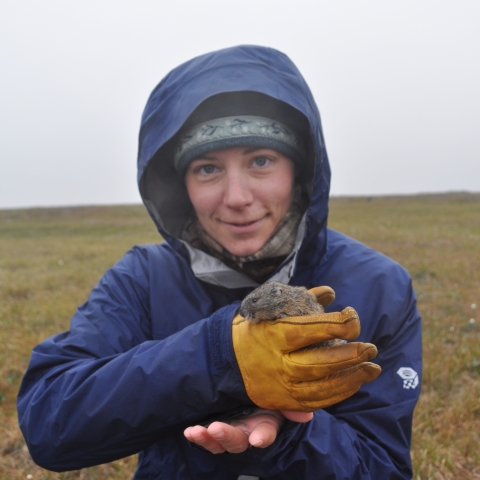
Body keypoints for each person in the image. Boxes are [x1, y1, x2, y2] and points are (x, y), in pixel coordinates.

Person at [17, 45, 422, 479]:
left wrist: (287, 433)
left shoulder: (379, 286)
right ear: (180, 186)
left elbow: (384, 468)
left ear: (299, 171)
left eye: (261, 161)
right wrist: (216, 361)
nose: (236, 198)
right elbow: (49, 421)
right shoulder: (143, 278)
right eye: (208, 169)